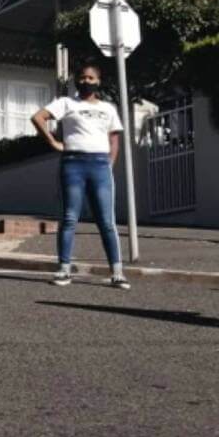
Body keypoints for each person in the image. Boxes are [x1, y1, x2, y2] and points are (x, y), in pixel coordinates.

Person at [31, 62, 131, 290]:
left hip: (100, 167)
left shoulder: (108, 108)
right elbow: (38, 117)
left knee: (107, 222)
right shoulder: (66, 103)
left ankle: (117, 272)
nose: (86, 81)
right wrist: (54, 142)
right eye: (82, 78)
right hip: (73, 165)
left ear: (98, 81)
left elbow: (114, 139)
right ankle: (64, 270)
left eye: (90, 78)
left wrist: (109, 164)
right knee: (69, 219)